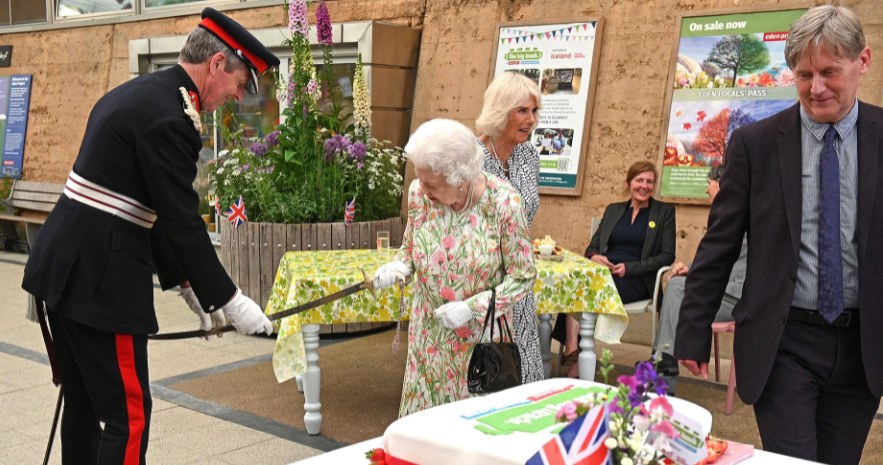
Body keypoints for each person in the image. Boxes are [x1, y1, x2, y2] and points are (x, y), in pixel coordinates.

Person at [21, 8, 277, 464]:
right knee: (128, 416)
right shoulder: (170, 117)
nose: (235, 97)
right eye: (238, 85)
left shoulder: (144, 95)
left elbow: (144, 208)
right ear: (217, 64)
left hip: (65, 268)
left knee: (84, 407)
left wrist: (188, 291)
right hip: (101, 281)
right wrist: (229, 300)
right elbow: (181, 220)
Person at [675, 6, 881, 464]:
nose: (816, 88)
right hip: (783, 341)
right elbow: (720, 242)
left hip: (862, 346)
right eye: (804, 74)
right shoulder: (757, 145)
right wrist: (691, 331)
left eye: (829, 72)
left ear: (862, 61)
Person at [373, 118, 537, 416]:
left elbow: (523, 277)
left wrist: (472, 308)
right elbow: (410, 248)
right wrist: (398, 266)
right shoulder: (419, 196)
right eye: (419, 179)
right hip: (427, 341)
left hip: (479, 345)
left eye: (431, 183)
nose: (422, 189)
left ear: (461, 177)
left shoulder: (504, 204)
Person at [552, 160, 675, 377]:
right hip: (603, 273)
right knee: (575, 284)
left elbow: (667, 256)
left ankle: (574, 352)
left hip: (637, 280)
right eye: (639, 180)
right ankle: (575, 351)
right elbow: (592, 246)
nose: (644, 186)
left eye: (649, 182)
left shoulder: (663, 212)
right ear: (629, 183)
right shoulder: (614, 210)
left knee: (587, 291)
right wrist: (595, 256)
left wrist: (630, 268)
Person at [476, 71, 543, 384]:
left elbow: (525, 213)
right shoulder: (473, 160)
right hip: (485, 276)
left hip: (519, 272)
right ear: (500, 112)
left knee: (524, 357)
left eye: (533, 111)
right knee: (489, 364)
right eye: (522, 111)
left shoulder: (529, 155)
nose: (530, 119)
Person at [649, 164, 745, 384]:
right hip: (726, 291)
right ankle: (662, 366)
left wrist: (692, 271)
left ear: (722, 185)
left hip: (737, 297)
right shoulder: (730, 214)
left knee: (677, 287)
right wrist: (690, 267)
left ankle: (661, 366)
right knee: (677, 285)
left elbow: (726, 261)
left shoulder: (739, 217)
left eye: (709, 184)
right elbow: (718, 256)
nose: (706, 191)